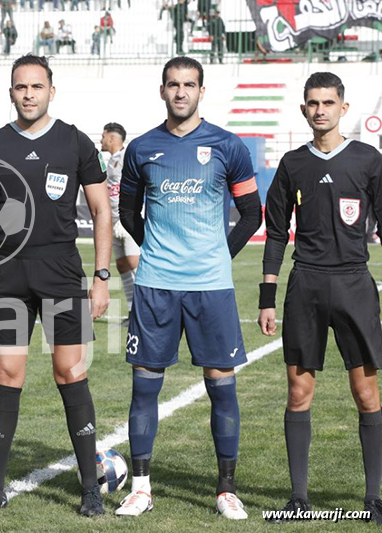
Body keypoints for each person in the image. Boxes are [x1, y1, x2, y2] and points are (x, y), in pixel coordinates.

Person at [0, 54, 112, 517]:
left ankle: (90, 487)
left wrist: (103, 276)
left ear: (52, 90)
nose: (28, 94)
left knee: (71, 373)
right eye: (20, 87)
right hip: (7, 275)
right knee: (6, 376)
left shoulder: (74, 142)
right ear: (11, 92)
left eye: (36, 86)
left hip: (62, 271)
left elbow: (102, 211)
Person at [117, 56, 262, 520]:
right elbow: (127, 214)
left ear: (202, 91)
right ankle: (140, 488)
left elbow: (252, 213)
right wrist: (158, 251)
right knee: (144, 388)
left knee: (222, 389)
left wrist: (218, 255)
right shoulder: (141, 148)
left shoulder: (227, 145)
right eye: (173, 85)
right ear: (162, 90)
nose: (181, 92)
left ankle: (226, 490)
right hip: (156, 285)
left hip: (211, 287)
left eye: (190, 85)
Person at [259, 72, 382, 524]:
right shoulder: (292, 164)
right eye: (312, 103)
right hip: (306, 284)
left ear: (343, 108)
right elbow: (275, 232)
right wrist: (267, 297)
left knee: (366, 392)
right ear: (303, 109)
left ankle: (373, 499)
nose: (320, 110)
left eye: (328, 102)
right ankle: (298, 498)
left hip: (354, 283)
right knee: (298, 390)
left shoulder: (370, 160)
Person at [101, 122, 137, 323]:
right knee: (122, 265)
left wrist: (127, 218)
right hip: (112, 222)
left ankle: (145, 311)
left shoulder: (126, 158)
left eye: (103, 136)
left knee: (134, 262)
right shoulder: (110, 161)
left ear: (112, 138)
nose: (101, 140)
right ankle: (132, 310)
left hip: (127, 221)